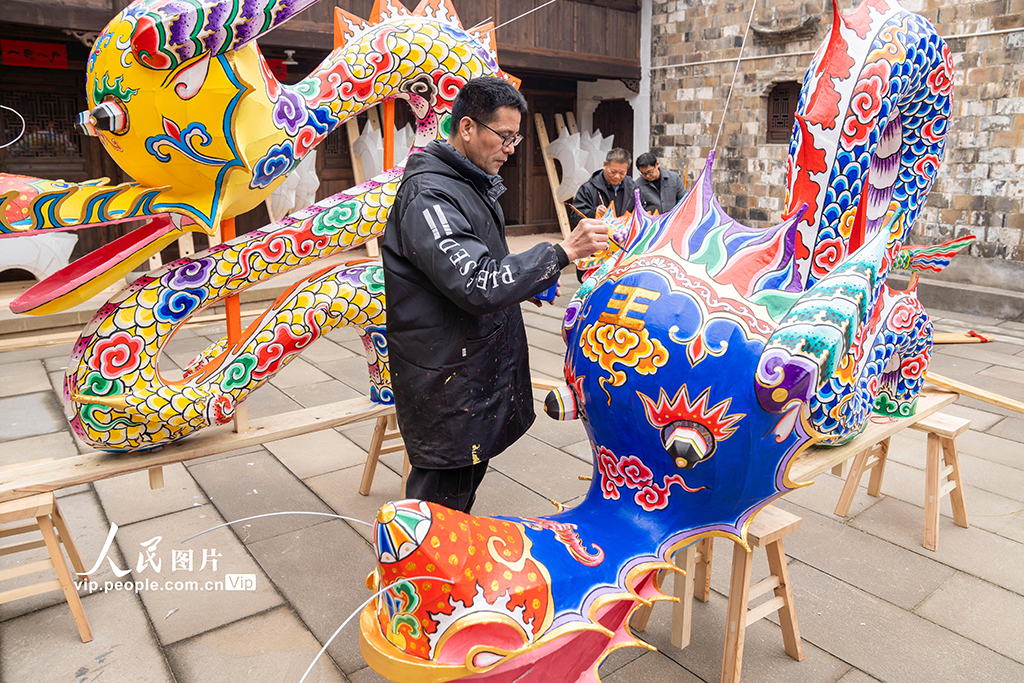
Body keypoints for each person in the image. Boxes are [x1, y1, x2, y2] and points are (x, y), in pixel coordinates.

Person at [381, 77, 609, 513]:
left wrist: (529, 281)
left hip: (469, 369)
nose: (510, 148)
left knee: (461, 492)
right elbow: (477, 283)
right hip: (447, 378)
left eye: (515, 138)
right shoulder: (430, 194)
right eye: (504, 136)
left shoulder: (469, 182)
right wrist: (562, 252)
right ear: (467, 127)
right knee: (437, 510)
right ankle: (411, 560)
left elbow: (480, 264)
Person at [569, 148, 636, 226]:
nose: (617, 176)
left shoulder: (632, 187)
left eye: (622, 173)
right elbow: (575, 215)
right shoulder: (588, 188)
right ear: (604, 165)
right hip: (598, 232)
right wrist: (594, 212)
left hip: (624, 232)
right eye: (613, 172)